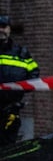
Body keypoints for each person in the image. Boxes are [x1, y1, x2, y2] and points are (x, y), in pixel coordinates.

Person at [0, 15, 39, 145]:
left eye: (4, 27)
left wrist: (24, 88)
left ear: (9, 29)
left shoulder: (21, 53)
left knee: (8, 146)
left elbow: (34, 74)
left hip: (11, 110)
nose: (1, 30)